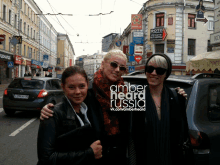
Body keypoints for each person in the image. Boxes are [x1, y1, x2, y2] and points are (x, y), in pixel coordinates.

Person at [40, 49, 187, 164]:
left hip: (120, 157)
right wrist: (48, 109)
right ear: (103, 64)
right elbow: (70, 101)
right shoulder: (89, 90)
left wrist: (176, 94)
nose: (117, 69)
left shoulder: (125, 92)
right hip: (95, 157)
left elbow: (154, 104)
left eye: (121, 68)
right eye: (113, 64)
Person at [132, 53, 194, 165]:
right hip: (144, 160)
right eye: (150, 69)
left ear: (166, 74)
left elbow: (182, 133)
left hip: (171, 159)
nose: (153, 73)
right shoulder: (135, 97)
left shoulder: (176, 97)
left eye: (159, 71)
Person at [37, 66, 102, 165]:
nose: (77, 92)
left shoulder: (89, 108)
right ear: (63, 87)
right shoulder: (51, 114)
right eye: (71, 87)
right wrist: (89, 153)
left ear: (87, 85)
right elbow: (46, 158)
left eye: (82, 86)